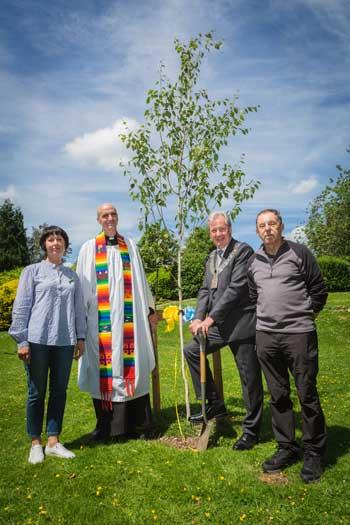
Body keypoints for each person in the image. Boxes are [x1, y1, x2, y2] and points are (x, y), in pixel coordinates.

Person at [247, 209, 328, 483]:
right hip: (267, 337)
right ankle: (286, 446)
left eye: (272, 223)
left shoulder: (299, 252)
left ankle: (314, 451)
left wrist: (305, 317)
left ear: (281, 226)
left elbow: (318, 290)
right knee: (278, 395)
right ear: (257, 231)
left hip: (299, 335)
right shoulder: (253, 261)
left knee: (306, 393)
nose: (267, 228)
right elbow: (252, 295)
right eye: (262, 225)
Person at [184, 211, 263, 450]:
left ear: (230, 229)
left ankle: (251, 431)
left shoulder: (243, 251)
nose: (218, 234)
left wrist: (209, 319)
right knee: (191, 351)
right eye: (214, 230)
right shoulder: (211, 257)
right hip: (218, 326)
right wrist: (198, 317)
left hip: (241, 324)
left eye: (222, 229)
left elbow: (236, 289)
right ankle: (214, 403)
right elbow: (205, 291)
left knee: (249, 379)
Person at [76, 203, 156, 441]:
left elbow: (140, 279)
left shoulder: (130, 245)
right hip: (101, 324)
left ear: (117, 218)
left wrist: (150, 308)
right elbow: (82, 287)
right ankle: (107, 427)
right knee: (104, 370)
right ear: (99, 219)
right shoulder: (89, 249)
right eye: (105, 215)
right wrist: (81, 321)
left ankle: (140, 425)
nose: (110, 218)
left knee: (134, 367)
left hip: (130, 321)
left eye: (113, 214)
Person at [9, 226, 86, 464]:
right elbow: (21, 307)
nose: (55, 243)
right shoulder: (32, 272)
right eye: (51, 239)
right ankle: (35, 443)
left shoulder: (72, 275)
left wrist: (80, 337)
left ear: (65, 244)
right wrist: (22, 340)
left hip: (64, 341)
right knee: (36, 392)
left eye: (59, 239)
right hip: (37, 340)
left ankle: (53, 441)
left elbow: (79, 309)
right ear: (44, 244)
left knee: (59, 392)